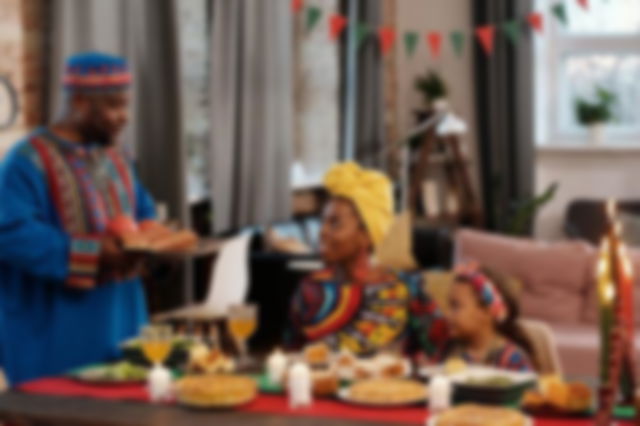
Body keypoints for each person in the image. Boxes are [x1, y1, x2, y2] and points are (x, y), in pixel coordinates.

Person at [0, 52, 155, 384]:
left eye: (126, 105)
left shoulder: (119, 155)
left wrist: (154, 236)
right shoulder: (26, 162)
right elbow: (10, 234)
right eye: (114, 106)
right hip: (54, 334)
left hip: (123, 323)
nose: (124, 117)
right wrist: (93, 253)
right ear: (81, 102)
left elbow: (142, 209)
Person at [289, 162, 448, 358]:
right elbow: (291, 355)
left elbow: (440, 346)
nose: (322, 231)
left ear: (366, 235)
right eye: (323, 221)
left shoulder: (405, 288)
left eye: (335, 223)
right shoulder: (309, 289)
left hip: (392, 387)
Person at [444, 263, 534, 371]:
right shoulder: (451, 352)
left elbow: (529, 388)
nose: (448, 314)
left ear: (486, 311)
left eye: (455, 306)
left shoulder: (513, 360)